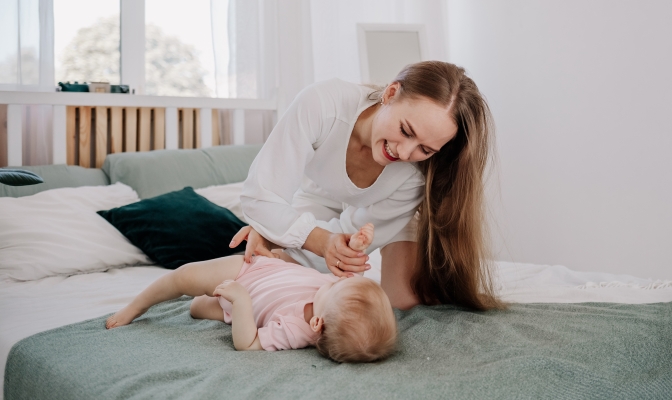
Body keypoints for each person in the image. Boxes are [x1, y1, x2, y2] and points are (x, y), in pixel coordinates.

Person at [231, 61, 503, 311]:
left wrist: (320, 243)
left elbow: (351, 242)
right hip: (321, 197)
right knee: (271, 273)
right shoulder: (322, 105)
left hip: (391, 216)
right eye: (406, 131)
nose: (405, 152)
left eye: (425, 148)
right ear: (391, 94)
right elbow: (261, 195)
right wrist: (278, 230)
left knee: (403, 303)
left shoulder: (417, 174)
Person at [105, 224, 396, 363]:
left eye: (334, 284)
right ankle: (136, 306)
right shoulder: (336, 300)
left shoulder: (295, 331)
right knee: (186, 275)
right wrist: (357, 248)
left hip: (243, 287)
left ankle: (218, 303)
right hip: (263, 268)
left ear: (317, 324)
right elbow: (352, 280)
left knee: (196, 308)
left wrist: (240, 299)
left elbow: (248, 343)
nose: (333, 280)